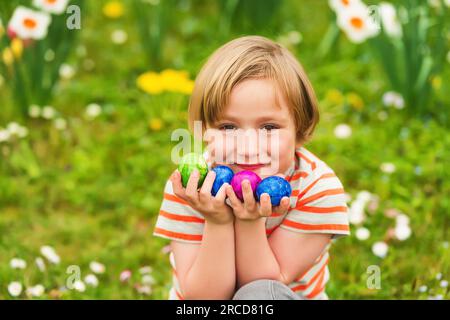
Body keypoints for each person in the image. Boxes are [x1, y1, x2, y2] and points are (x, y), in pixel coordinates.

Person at [153, 35, 350, 300]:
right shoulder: (193, 188)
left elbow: (263, 291)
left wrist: (249, 220)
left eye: (268, 127)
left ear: (300, 131)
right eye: (228, 127)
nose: (247, 147)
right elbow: (203, 299)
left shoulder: (317, 189)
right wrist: (218, 220)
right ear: (205, 132)